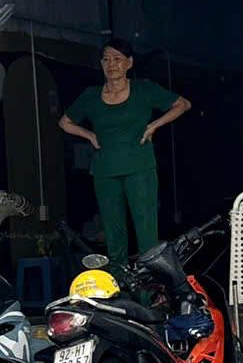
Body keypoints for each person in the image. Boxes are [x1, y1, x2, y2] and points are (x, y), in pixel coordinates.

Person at [58, 40, 189, 263]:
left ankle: (149, 288)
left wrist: (154, 126)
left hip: (140, 167)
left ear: (129, 63)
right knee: (113, 233)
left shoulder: (144, 89)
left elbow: (183, 104)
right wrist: (90, 135)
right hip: (105, 170)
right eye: (106, 59)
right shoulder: (91, 95)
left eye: (117, 59)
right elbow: (65, 122)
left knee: (146, 232)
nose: (111, 64)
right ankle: (120, 286)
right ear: (101, 64)